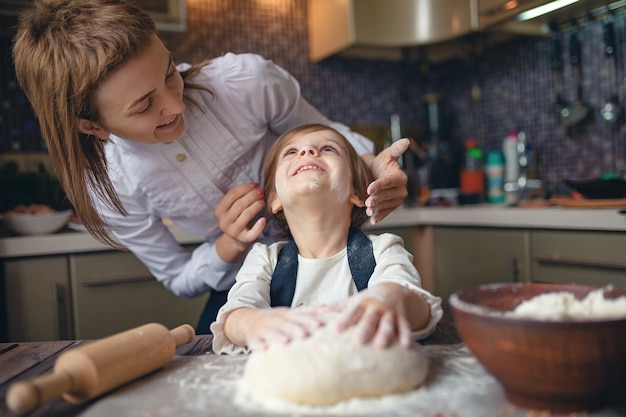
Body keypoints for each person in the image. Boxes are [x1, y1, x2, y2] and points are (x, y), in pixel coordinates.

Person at [12, 0, 410, 333]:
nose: (174, 104)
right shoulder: (111, 188)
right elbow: (178, 277)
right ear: (92, 125)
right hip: (239, 281)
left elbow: (323, 138)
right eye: (144, 105)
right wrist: (230, 246)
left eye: (170, 74)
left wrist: (372, 167)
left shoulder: (247, 83)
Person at [211, 124, 443, 354]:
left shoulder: (383, 250)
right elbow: (234, 318)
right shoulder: (265, 259)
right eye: (291, 152)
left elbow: (420, 309)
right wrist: (254, 323)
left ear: (357, 192)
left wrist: (391, 298)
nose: (307, 151)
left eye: (329, 149)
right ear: (274, 199)